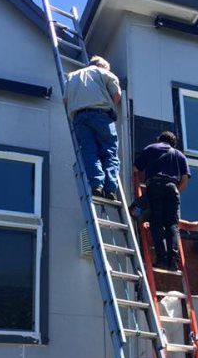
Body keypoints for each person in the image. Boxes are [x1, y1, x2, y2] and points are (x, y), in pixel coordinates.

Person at [64, 56, 122, 200]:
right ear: (102, 66)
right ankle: (110, 190)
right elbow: (116, 94)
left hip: (79, 118)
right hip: (101, 115)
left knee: (89, 151)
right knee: (109, 152)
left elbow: (65, 100)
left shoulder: (71, 77)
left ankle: (97, 185)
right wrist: (110, 106)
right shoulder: (105, 73)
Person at [133, 131, 190, 270]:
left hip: (154, 186)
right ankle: (173, 262)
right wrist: (175, 192)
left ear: (159, 139)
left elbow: (135, 168)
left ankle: (162, 259)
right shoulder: (179, 155)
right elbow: (184, 181)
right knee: (172, 225)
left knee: (156, 222)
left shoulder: (151, 148)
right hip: (172, 188)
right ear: (173, 143)